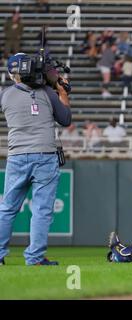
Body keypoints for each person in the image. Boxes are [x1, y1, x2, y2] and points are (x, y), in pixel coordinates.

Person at [0, 53, 71, 266]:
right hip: (45, 157)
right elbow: (65, 119)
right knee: (41, 210)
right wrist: (62, 91)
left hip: (17, 156)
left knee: (7, 208)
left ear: (13, 74)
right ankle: (35, 258)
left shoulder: (5, 95)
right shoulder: (47, 93)